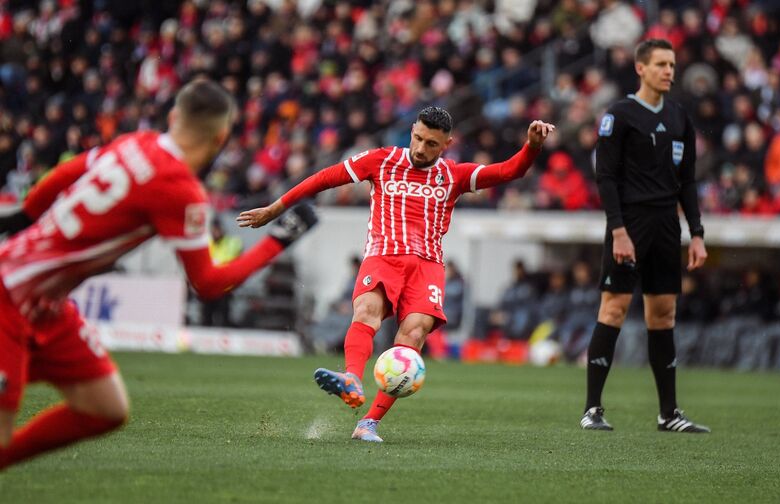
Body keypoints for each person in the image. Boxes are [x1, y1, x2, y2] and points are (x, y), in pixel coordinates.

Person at [0, 79, 317, 470]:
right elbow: (208, 284)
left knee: (105, 407)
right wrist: (278, 240)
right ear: (220, 138)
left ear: (173, 116)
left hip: (44, 302)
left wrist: (26, 213)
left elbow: (73, 169)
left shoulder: (135, 141)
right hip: (10, 297)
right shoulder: (178, 188)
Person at [238, 107, 554, 442]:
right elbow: (324, 178)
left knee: (413, 335)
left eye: (431, 143)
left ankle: (368, 423)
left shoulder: (454, 175)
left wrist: (531, 146)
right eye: (417, 138)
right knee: (367, 312)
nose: (420, 148)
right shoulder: (381, 160)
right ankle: (351, 379)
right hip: (383, 256)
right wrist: (276, 207)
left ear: (447, 144)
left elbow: (510, 171)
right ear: (412, 131)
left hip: (427, 266)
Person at [582, 39, 710, 433]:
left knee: (663, 315)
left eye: (672, 64)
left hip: (666, 227)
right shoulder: (619, 115)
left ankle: (668, 413)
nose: (669, 71)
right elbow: (605, 177)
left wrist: (698, 233)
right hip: (629, 223)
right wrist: (618, 231)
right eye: (661, 64)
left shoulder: (679, 117)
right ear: (641, 68)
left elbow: (687, 181)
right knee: (614, 310)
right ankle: (592, 410)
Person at [201, 218, 244, 326]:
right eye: (213, 230)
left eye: (217, 230)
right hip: (209, 287)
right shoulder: (207, 243)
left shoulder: (232, 243)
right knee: (206, 317)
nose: (215, 232)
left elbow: (235, 262)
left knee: (224, 317)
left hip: (225, 288)